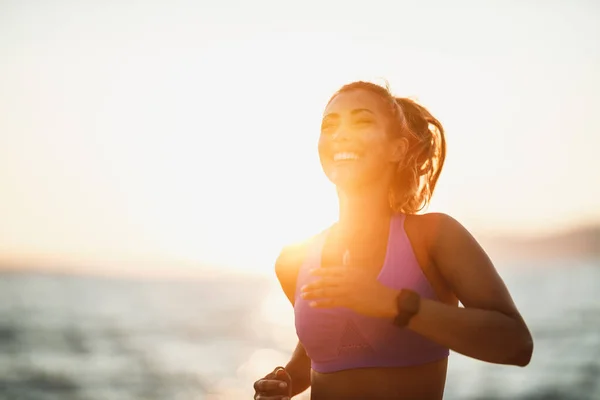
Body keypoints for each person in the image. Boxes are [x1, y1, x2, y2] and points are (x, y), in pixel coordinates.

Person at [253, 81, 533, 400]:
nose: (341, 133)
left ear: (396, 148)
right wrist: (285, 381)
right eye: (330, 125)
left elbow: (516, 344)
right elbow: (324, 353)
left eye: (362, 121)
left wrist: (390, 303)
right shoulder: (293, 261)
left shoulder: (435, 237)